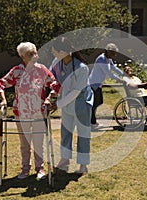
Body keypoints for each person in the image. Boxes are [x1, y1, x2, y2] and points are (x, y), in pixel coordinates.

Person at [0, 42, 60, 180]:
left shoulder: (42, 70)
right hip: (21, 113)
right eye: (31, 54)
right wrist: (3, 99)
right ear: (23, 56)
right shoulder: (16, 71)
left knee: (38, 143)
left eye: (35, 53)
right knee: (24, 144)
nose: (35, 56)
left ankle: (40, 169)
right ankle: (25, 169)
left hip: (38, 113)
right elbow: (1, 84)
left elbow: (55, 85)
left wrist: (49, 98)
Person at [50, 37, 93, 174]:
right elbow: (52, 80)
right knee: (66, 133)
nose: (54, 55)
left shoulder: (82, 68)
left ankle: (83, 165)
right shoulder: (57, 63)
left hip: (81, 104)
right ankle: (65, 159)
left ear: (63, 51)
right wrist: (50, 96)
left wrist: (57, 104)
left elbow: (75, 92)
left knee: (83, 134)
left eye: (55, 52)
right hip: (67, 104)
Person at [89, 43, 125, 127]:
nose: (114, 55)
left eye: (114, 53)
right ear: (107, 51)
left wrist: (123, 74)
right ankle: (92, 122)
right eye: (112, 53)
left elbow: (114, 68)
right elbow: (109, 73)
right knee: (95, 103)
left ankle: (92, 121)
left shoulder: (108, 59)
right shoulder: (101, 59)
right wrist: (120, 80)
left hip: (98, 84)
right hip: (94, 83)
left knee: (98, 102)